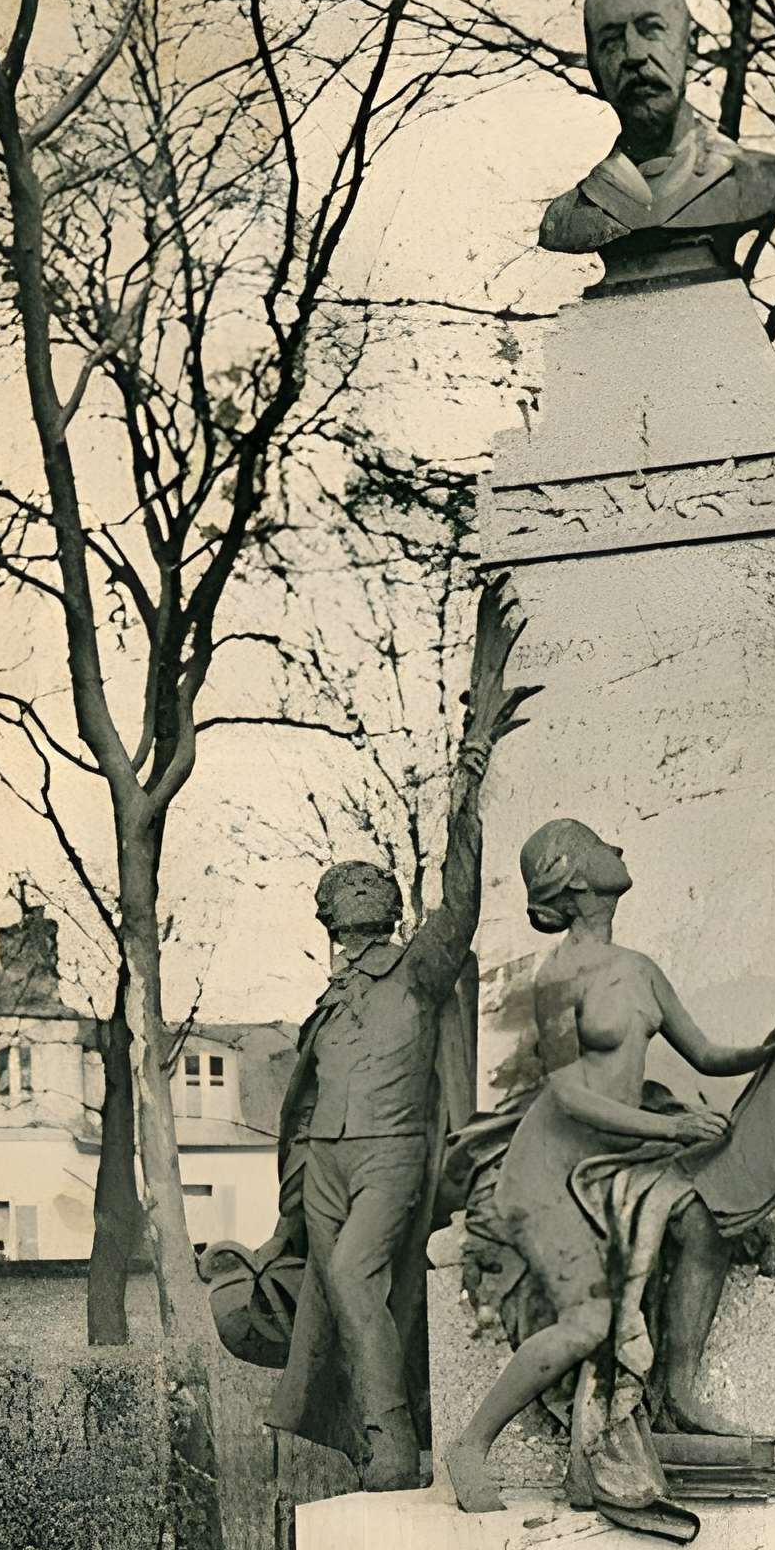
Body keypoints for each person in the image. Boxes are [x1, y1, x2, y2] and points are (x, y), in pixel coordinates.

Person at [444, 818, 775, 1535]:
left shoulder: (643, 969)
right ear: (574, 877)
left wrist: (768, 1048)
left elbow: (709, 1055)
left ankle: (679, 1391)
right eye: (600, 845)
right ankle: (470, 1446)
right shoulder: (558, 978)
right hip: (549, 1173)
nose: (618, 849)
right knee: (588, 1321)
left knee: (702, 1214)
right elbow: (568, 1094)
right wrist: (672, 1128)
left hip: (616, 1160)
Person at [256, 583, 533, 1490]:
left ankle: (394, 1440)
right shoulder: (328, 1000)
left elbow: (462, 901)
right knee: (330, 1291)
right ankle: (375, 1439)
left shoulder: (414, 970)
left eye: (359, 909)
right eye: (342, 914)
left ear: (378, 915)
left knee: (351, 1278)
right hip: (327, 1164)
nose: (350, 926)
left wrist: (470, 779)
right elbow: (301, 1099)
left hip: (387, 1156)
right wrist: (295, 1185)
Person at [539, 0, 775, 260]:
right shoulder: (572, 213)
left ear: (691, 47)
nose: (634, 54)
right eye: (611, 40)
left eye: (651, 29)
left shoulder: (765, 177)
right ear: (594, 69)